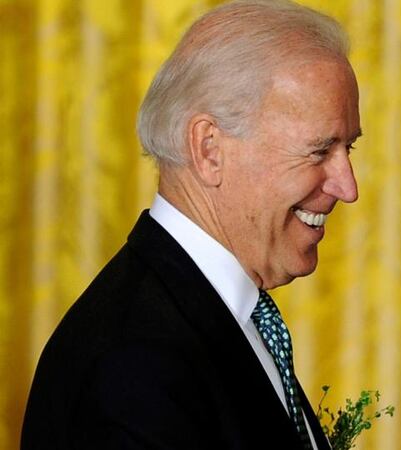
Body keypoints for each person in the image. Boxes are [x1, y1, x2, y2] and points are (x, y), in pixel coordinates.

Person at [22, 1, 360, 448]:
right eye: (319, 151)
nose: (348, 187)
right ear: (209, 150)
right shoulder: (134, 364)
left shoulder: (208, 315)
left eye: (348, 150)